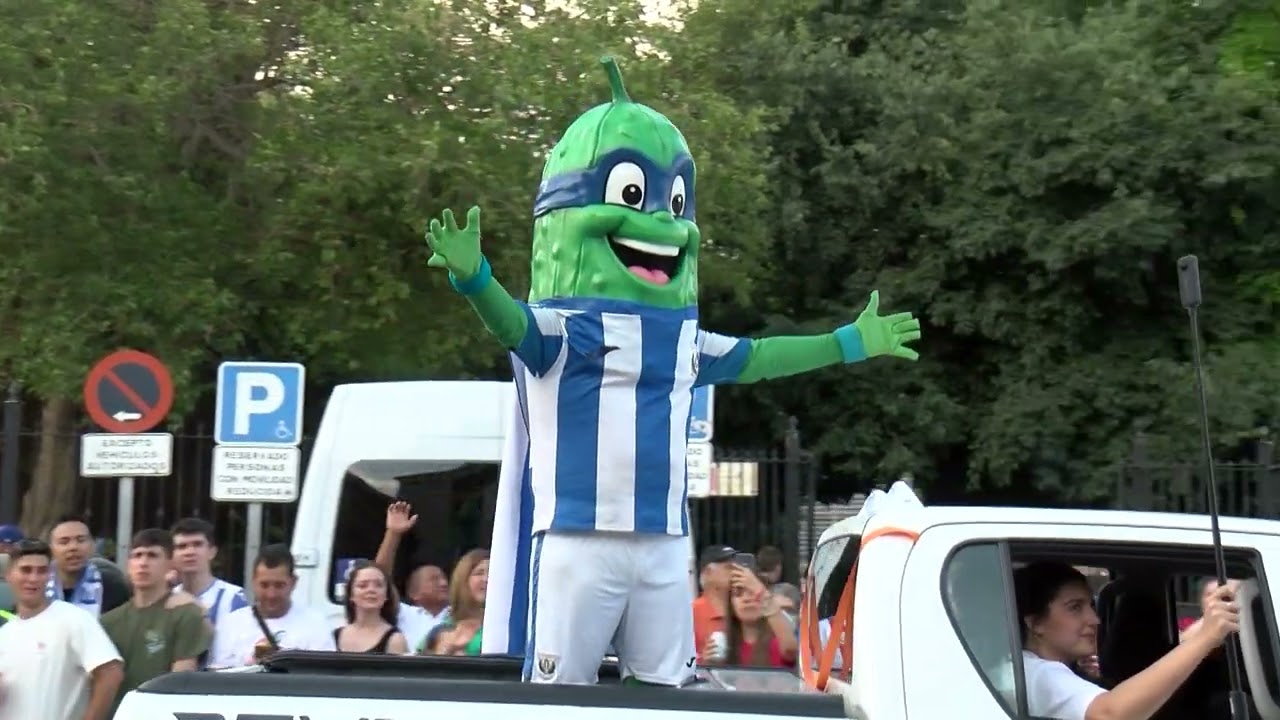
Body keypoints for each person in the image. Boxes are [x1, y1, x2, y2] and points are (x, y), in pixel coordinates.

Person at [436, 56, 922, 686]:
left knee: (669, 693)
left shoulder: (683, 342)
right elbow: (512, 325)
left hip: (664, 544)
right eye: (633, 198)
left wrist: (847, 342)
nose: (662, 223)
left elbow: (760, 357)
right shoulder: (565, 329)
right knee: (560, 693)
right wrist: (476, 279)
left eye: (672, 202)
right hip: (578, 540)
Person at [1015, 561, 1239, 720]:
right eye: (1075, 608)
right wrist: (1206, 637)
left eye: (1091, 606)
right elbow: (1109, 715)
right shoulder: (1034, 673)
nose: (1094, 619)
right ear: (1035, 623)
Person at [0, 539, 123, 720]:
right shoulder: (6, 633)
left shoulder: (73, 618)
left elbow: (111, 672)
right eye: (26, 570)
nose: (33, 578)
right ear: (9, 575)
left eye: (42, 571)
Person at [101, 529, 210, 715]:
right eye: (137, 556)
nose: (143, 563)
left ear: (170, 565)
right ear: (128, 564)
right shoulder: (108, 621)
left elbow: (181, 680)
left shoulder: (186, 614)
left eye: (152, 555)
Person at [208, 543, 335, 668]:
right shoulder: (230, 624)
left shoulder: (316, 624)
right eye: (264, 585)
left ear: (294, 582)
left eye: (279, 585)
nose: (271, 594)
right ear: (253, 582)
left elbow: (324, 673)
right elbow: (220, 674)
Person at [372, 501, 450, 649]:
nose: (444, 584)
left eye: (444, 579)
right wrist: (393, 534)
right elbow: (379, 577)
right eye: (434, 579)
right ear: (413, 593)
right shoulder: (404, 614)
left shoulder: (458, 614)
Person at [701, 567, 797, 668]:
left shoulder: (780, 640)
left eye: (752, 593)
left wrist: (760, 591)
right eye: (738, 594)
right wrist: (709, 666)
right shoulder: (725, 646)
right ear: (731, 606)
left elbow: (790, 650)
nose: (746, 598)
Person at [170, 517, 249, 634]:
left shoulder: (233, 597)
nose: (190, 552)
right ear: (172, 555)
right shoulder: (167, 598)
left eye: (197, 544)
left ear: (212, 552)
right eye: (182, 546)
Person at [46, 515, 131, 617]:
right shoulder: (36, 585)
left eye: (81, 540)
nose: (73, 547)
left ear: (92, 545)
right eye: (64, 542)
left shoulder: (112, 586)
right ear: (51, 549)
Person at [422, 549, 487, 655]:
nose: (486, 579)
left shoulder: (509, 630)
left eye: (492, 573)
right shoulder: (441, 630)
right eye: (479, 573)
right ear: (463, 580)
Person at [334, 561, 408, 654]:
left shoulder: (395, 640)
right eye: (362, 586)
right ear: (351, 595)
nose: (371, 590)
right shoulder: (334, 636)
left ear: (386, 595)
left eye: (378, 585)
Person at [692, 545, 737, 661]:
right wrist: (703, 662)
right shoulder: (691, 614)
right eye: (729, 567)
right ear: (708, 573)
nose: (736, 572)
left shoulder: (743, 609)